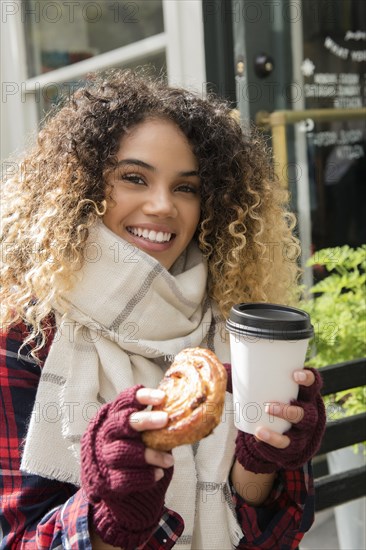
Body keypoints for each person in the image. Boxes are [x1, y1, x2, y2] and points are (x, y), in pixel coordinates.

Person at [0, 69, 325, 550]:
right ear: (81, 186)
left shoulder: (230, 322)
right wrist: (117, 514)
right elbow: (19, 538)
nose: (162, 206)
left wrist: (263, 459)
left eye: (186, 188)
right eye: (134, 178)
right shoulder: (27, 334)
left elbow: (275, 538)